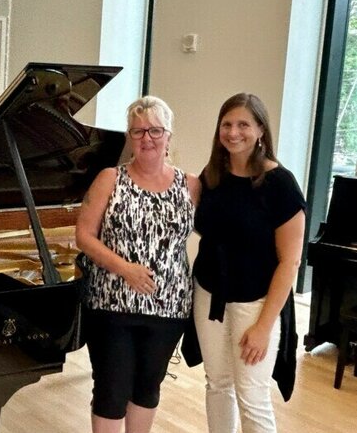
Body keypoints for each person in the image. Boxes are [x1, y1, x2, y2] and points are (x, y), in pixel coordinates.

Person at [76, 95, 201, 433]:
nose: (147, 138)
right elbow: (84, 236)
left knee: (148, 389)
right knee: (111, 391)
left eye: (155, 130)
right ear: (129, 137)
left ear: (169, 136)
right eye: (138, 131)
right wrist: (124, 268)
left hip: (169, 307)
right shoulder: (109, 179)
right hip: (112, 303)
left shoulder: (190, 185)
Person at [191, 93, 305, 433]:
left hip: (255, 304)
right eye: (227, 124)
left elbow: (291, 262)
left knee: (252, 395)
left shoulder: (280, 184)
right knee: (217, 383)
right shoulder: (212, 175)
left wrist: (264, 327)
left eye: (243, 124)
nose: (233, 132)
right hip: (209, 294)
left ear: (261, 131)